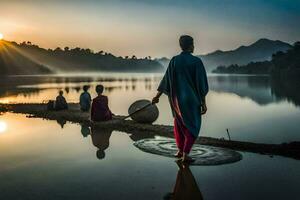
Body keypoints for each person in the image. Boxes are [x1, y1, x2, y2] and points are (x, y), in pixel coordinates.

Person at [152, 35, 209, 163]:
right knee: (193, 126)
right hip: (191, 100)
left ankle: (179, 151)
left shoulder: (174, 60)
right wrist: (204, 103)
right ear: (190, 46)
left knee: (179, 124)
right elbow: (201, 85)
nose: (194, 46)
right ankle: (186, 154)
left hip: (176, 100)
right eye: (193, 44)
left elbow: (166, 80)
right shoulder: (196, 62)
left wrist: (157, 97)